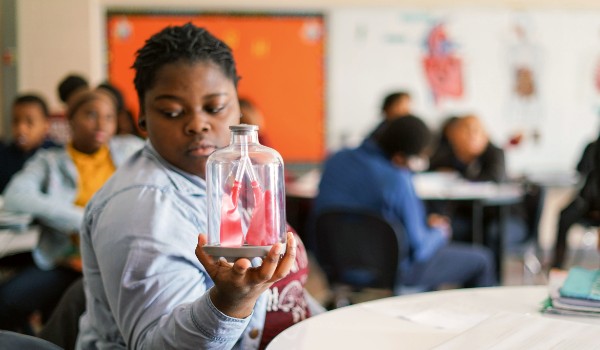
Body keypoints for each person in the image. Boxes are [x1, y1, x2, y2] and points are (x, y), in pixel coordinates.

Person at [76, 23, 320, 350]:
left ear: (237, 105)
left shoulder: (231, 172)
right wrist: (230, 303)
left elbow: (290, 295)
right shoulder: (143, 209)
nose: (197, 124)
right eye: (172, 112)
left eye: (215, 107)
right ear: (143, 120)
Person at [0, 86, 144, 334]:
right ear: (71, 120)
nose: (101, 124)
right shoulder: (50, 161)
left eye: (109, 117)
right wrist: (85, 220)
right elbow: (16, 196)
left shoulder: (130, 151)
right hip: (64, 260)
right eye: (90, 114)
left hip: (119, 262)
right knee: (6, 301)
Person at [314, 115, 496, 291]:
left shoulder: (336, 160)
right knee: (482, 260)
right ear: (401, 158)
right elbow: (420, 248)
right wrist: (440, 231)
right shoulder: (397, 179)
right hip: (393, 270)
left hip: (336, 264)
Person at [552, 130, 600, 268]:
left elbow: (579, 170)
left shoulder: (592, 146)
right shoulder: (591, 147)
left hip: (587, 203)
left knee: (565, 216)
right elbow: (580, 170)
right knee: (564, 215)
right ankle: (558, 265)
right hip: (587, 203)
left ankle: (557, 264)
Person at [0, 94, 59, 192]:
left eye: (29, 122)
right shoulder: (3, 155)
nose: (21, 129)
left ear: (46, 124)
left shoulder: (56, 154)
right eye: (16, 121)